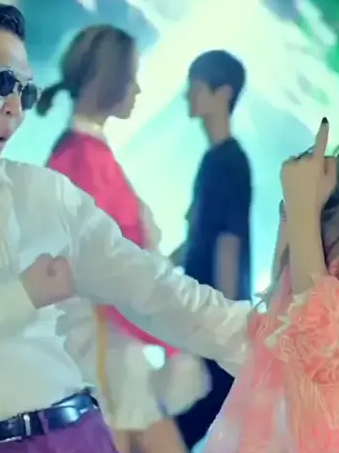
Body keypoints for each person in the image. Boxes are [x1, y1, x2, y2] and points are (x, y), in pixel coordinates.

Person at [0, 0, 250, 453]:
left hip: (77, 426)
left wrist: (272, 340)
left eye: (25, 92)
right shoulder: (78, 160)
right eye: (1, 81)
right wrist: (20, 297)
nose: (16, 108)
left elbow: (147, 283)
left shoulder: (44, 192)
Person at [202, 0, 339, 453]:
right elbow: (282, 307)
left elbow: (321, 338)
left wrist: (302, 208)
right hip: (296, 422)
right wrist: (299, 212)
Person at [36, 25, 209, 453]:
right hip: (99, 341)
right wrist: (168, 335)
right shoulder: (83, 161)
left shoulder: (83, 156)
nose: (137, 88)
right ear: (109, 79)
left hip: (109, 340)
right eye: (131, 77)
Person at [176, 50, 251, 450]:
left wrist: (224, 324)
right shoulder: (213, 159)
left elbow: (228, 244)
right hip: (200, 316)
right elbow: (198, 235)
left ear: (222, 94)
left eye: (196, 86)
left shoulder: (230, 163)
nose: (188, 94)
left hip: (212, 322)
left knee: (180, 426)